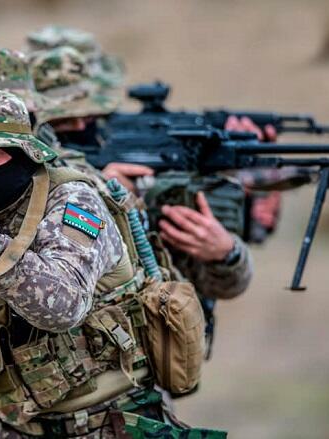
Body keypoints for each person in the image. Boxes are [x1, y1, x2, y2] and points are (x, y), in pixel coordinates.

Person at [0, 90, 225, 438]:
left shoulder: (74, 201)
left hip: (109, 422)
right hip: (12, 428)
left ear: (21, 154)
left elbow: (63, 307)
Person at [30, 46, 253, 304]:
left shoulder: (135, 174)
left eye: (90, 117)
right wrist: (102, 195)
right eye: (64, 121)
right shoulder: (35, 186)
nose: (81, 127)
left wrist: (226, 254)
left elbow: (222, 285)